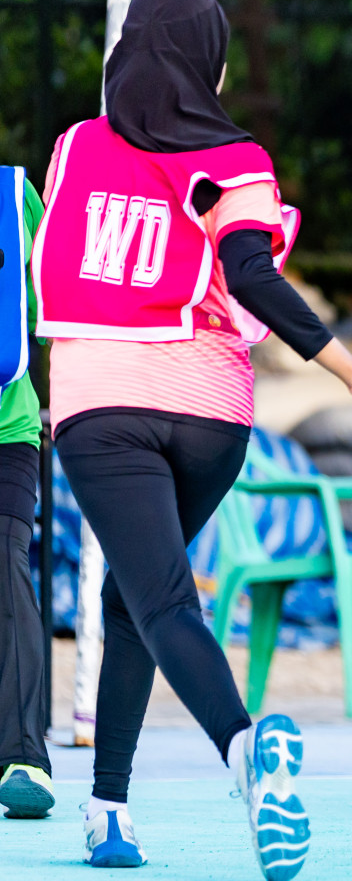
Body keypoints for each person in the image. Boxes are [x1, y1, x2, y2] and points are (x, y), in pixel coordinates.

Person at [31, 0, 352, 876]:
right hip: (213, 418)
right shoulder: (232, 158)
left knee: (159, 599)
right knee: (135, 602)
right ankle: (108, 812)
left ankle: (244, 751)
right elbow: (252, 277)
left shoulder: (76, 147)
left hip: (104, 404)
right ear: (209, 62)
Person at [0, 168, 53, 822]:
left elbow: (50, 305)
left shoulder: (15, 194)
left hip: (9, 429)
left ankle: (23, 757)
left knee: (6, 572)